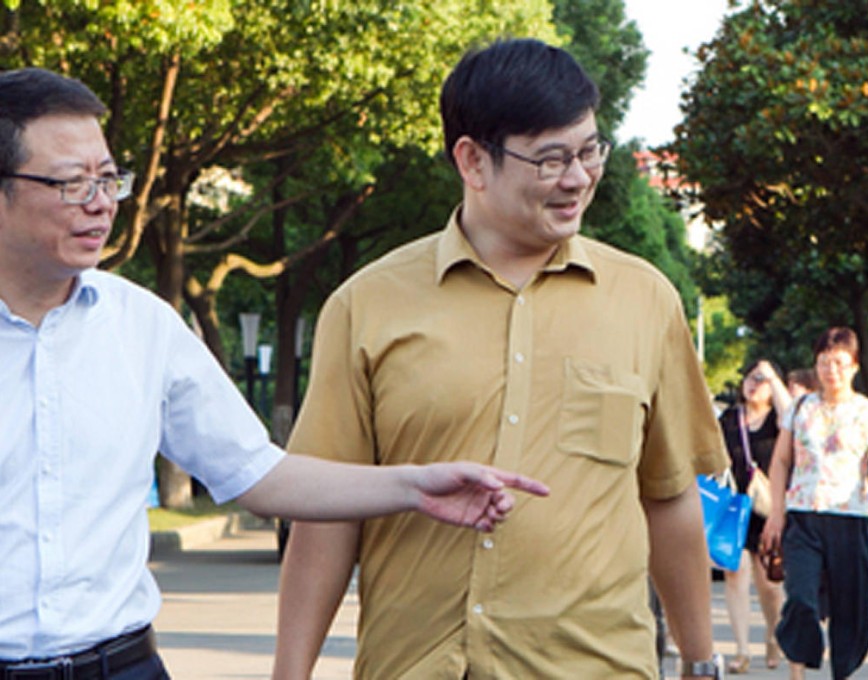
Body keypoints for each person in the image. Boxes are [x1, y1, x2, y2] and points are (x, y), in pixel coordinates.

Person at [0, 67, 550, 678]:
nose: (102, 203)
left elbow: (258, 473)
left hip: (120, 666)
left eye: (108, 178)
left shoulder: (142, 327)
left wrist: (415, 486)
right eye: (73, 184)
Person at [273, 38, 730, 679]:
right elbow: (326, 517)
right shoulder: (366, 306)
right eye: (550, 159)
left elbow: (669, 495)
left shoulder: (646, 300)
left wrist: (700, 660)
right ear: (473, 161)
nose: (578, 177)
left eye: (589, 151)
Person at [760, 327, 868, 680]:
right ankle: (802, 654)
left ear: (853, 365)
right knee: (801, 598)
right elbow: (780, 462)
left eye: (838, 363)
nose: (830, 370)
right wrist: (776, 514)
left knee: (851, 611)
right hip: (803, 517)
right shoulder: (800, 409)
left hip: (850, 519)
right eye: (823, 362)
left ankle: (842, 672)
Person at [718, 360, 791, 674]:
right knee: (735, 575)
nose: (753, 384)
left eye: (760, 380)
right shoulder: (730, 419)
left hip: (770, 508)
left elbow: (793, 413)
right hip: (736, 507)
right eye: (750, 378)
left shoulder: (780, 420)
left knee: (770, 586)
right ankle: (742, 650)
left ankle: (774, 637)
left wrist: (774, 378)